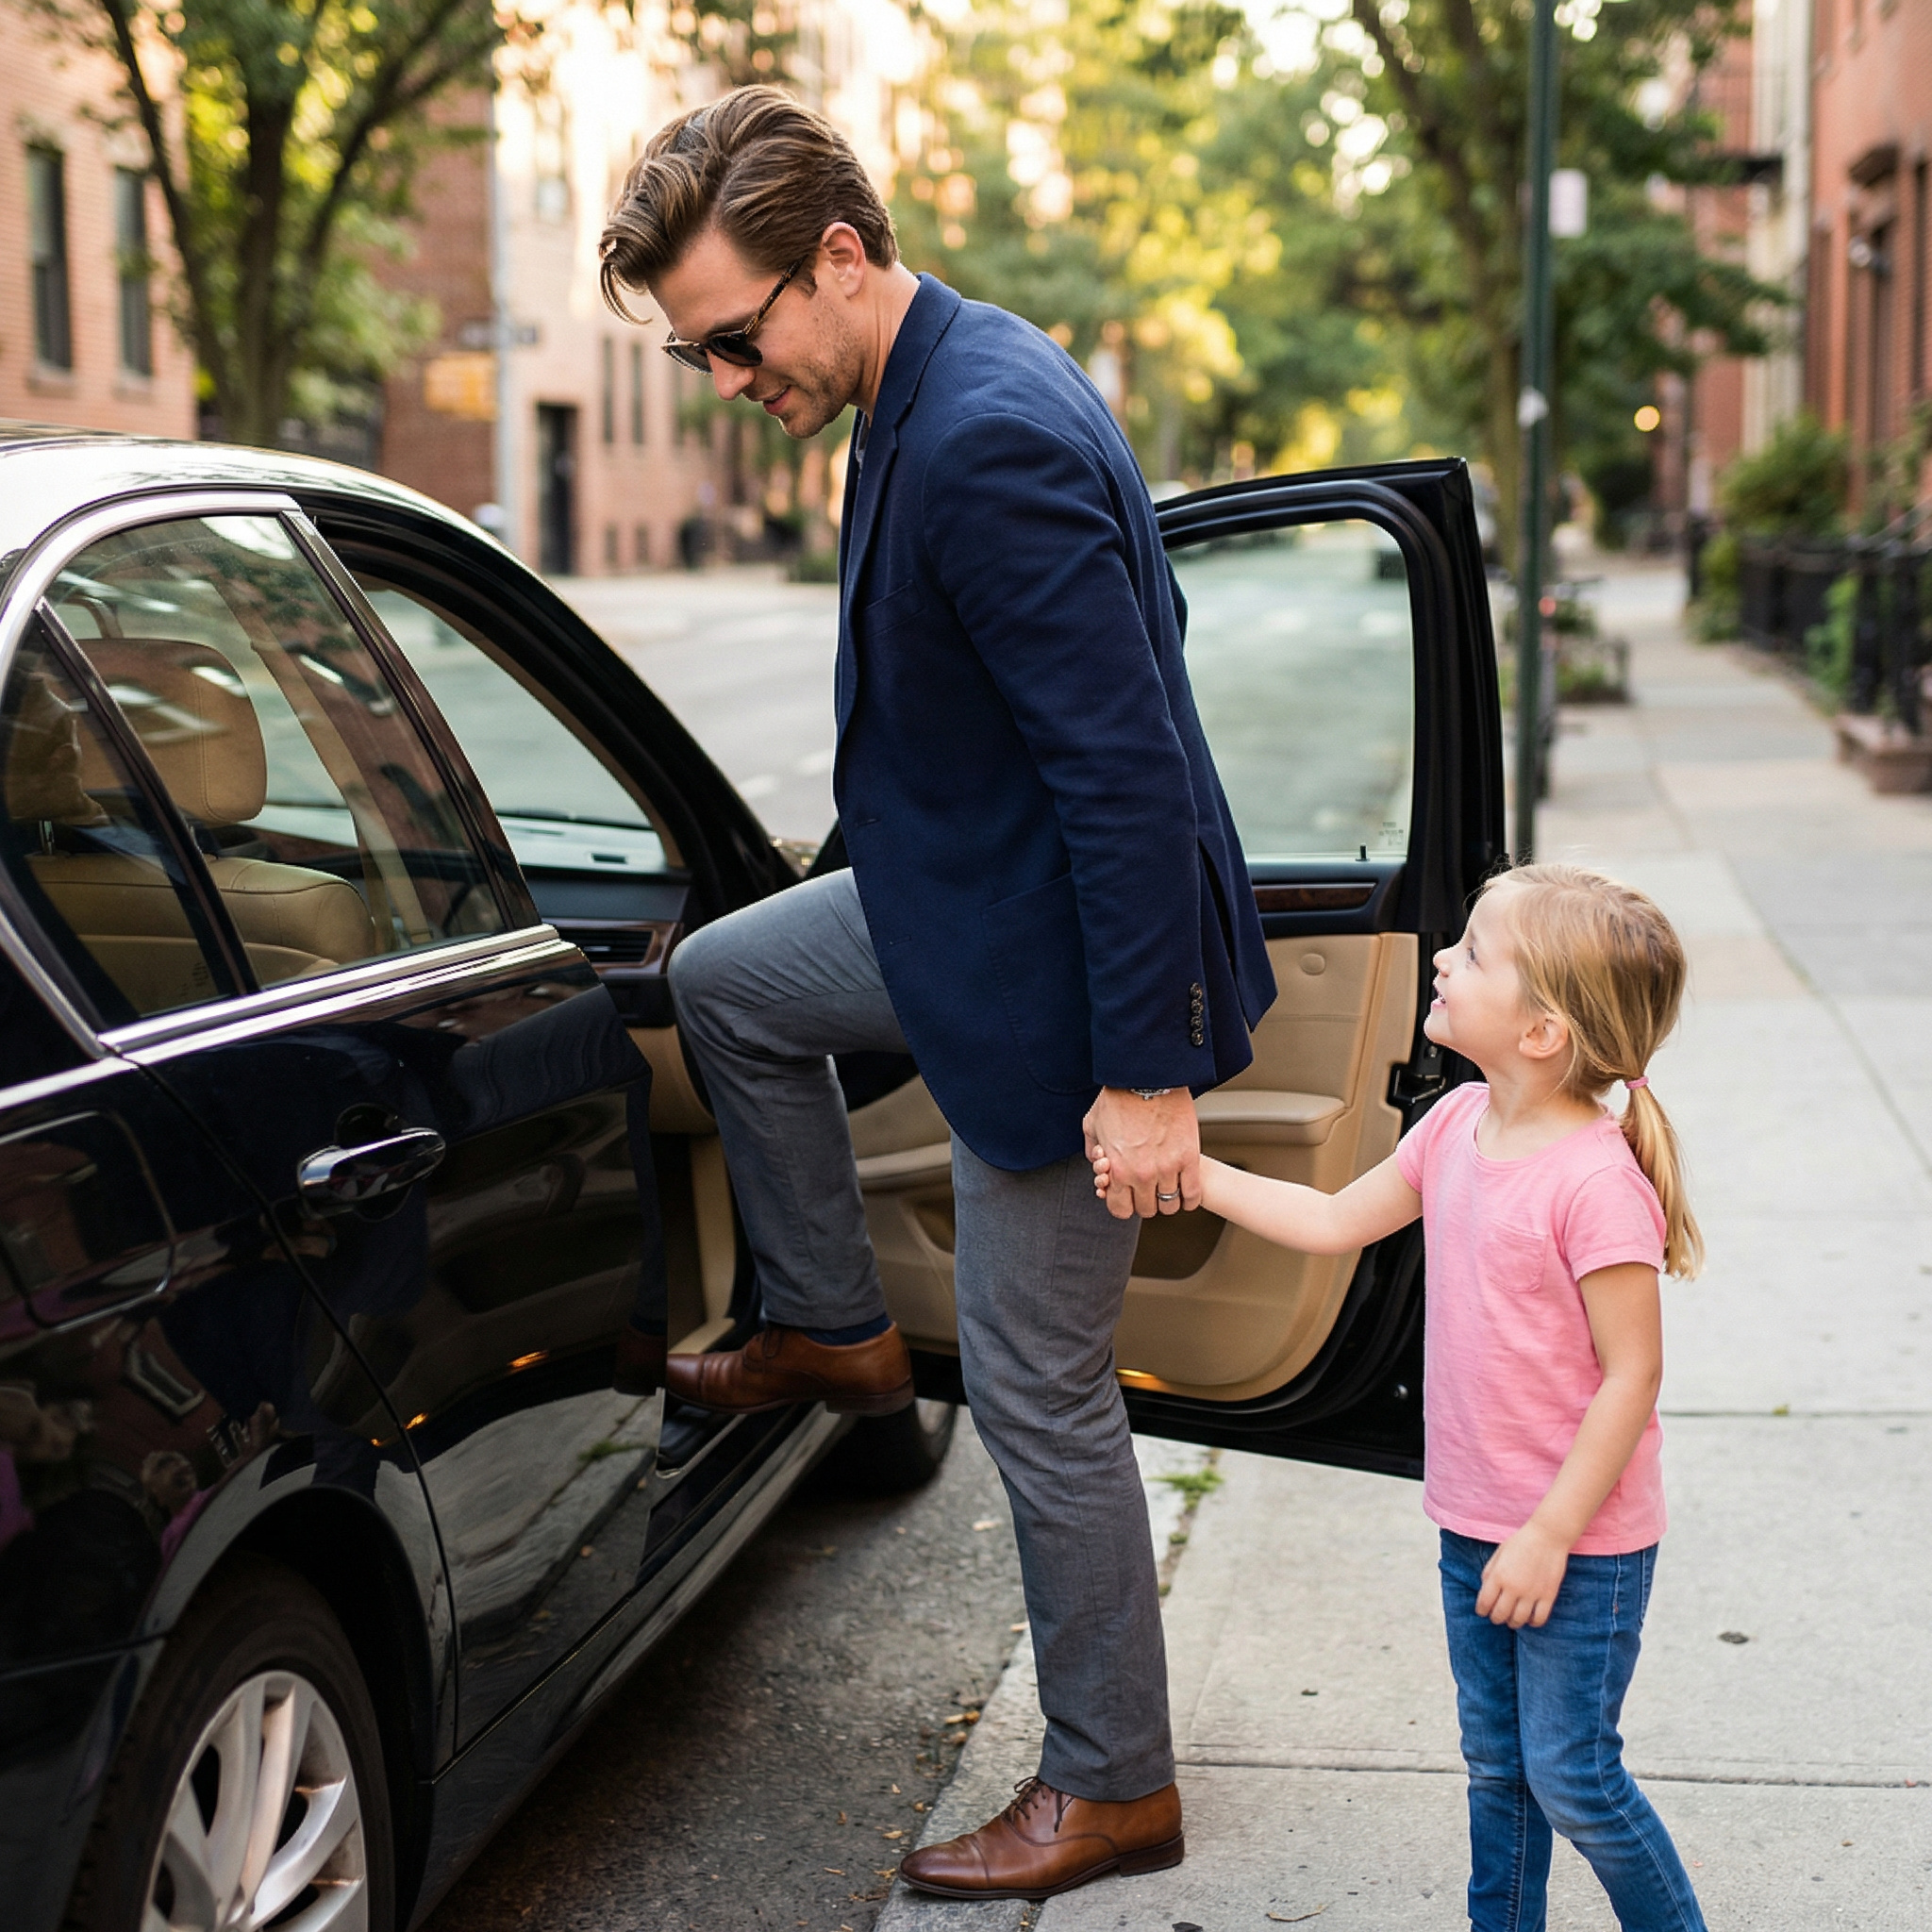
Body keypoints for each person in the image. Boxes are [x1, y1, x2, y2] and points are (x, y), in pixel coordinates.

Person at [596, 86, 1275, 1900]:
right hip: (946, 902)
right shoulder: (931, 374)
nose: (729, 379)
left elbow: (1123, 772)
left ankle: (1112, 1782)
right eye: (696, 359)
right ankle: (830, 1319)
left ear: (838, 253)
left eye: (733, 339)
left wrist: (1141, 1071)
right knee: (730, 982)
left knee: (1046, 1391)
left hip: (1052, 981)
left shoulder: (978, 431)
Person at [1099, 861, 1707, 1930]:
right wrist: (1196, 1178)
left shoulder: (1592, 1182)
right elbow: (1336, 1220)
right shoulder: (1454, 1121)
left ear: (1541, 1031)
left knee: (1572, 1776)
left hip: (1579, 1542)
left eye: (1472, 951)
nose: (1439, 954)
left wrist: (1549, 1536)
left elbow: (1632, 1374)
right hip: (1472, 1520)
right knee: (1495, 1767)